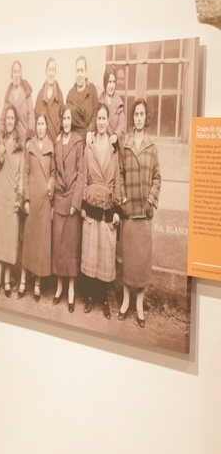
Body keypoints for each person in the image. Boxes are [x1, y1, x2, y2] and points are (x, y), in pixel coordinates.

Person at [118, 99, 161, 328]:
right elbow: (121, 175)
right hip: (129, 212)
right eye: (135, 114)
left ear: (146, 118)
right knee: (128, 261)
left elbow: (157, 178)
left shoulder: (152, 147)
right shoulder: (125, 146)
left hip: (144, 214)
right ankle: (125, 302)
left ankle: (139, 305)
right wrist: (123, 200)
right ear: (132, 118)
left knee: (142, 262)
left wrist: (150, 201)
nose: (138, 118)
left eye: (142, 114)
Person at [80, 104, 124, 319]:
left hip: (107, 209)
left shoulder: (114, 148)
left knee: (105, 256)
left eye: (104, 118)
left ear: (108, 122)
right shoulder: (88, 146)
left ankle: (104, 299)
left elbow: (117, 179)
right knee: (91, 255)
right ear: (95, 121)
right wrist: (83, 205)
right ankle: (89, 297)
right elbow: (83, 175)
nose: (101, 122)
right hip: (91, 208)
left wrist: (117, 209)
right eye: (98, 118)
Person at [51, 106, 85, 312]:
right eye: (63, 118)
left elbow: (81, 173)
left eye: (68, 119)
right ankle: (59, 287)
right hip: (58, 198)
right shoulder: (56, 143)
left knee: (71, 246)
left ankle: (71, 289)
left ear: (72, 122)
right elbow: (54, 170)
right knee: (59, 245)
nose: (65, 122)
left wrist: (75, 202)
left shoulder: (78, 142)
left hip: (72, 199)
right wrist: (54, 189)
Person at [19, 114, 55, 301]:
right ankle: (23, 281)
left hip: (44, 202)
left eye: (43, 124)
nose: (40, 128)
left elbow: (54, 172)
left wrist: (51, 183)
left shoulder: (50, 147)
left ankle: (38, 285)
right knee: (29, 244)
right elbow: (25, 174)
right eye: (38, 124)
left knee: (41, 245)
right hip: (32, 203)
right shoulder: (30, 146)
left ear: (46, 126)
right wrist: (26, 200)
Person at [0, 104, 24, 299]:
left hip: (12, 198)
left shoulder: (20, 146)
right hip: (1, 197)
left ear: (16, 121)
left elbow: (21, 173)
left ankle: (6, 282)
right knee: (0, 240)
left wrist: (19, 198)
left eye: (13, 118)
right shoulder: (1, 141)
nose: (10, 121)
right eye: (8, 118)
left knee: (10, 243)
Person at [65, 55, 99, 145]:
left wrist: (90, 130)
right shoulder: (70, 94)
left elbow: (96, 113)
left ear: (86, 72)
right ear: (75, 72)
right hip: (74, 139)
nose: (79, 74)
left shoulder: (92, 89)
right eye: (77, 71)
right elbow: (66, 119)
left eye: (82, 70)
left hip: (89, 137)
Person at [2, 59, 34, 141]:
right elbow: (2, 119)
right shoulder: (8, 96)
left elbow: (31, 115)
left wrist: (29, 138)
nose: (16, 75)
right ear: (11, 75)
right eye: (14, 72)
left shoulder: (26, 92)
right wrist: (2, 139)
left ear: (21, 74)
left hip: (24, 138)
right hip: (11, 140)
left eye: (18, 72)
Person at [34, 57, 64, 143]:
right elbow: (36, 117)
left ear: (55, 72)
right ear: (46, 72)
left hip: (56, 139)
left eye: (53, 70)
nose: (51, 73)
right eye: (49, 69)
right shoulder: (40, 94)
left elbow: (62, 117)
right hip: (43, 141)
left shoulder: (59, 94)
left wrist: (61, 134)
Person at [99, 67, 127, 150]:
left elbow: (122, 122)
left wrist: (116, 135)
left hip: (115, 144)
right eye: (109, 82)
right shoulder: (100, 100)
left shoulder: (118, 101)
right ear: (105, 82)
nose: (111, 86)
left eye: (113, 82)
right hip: (103, 144)